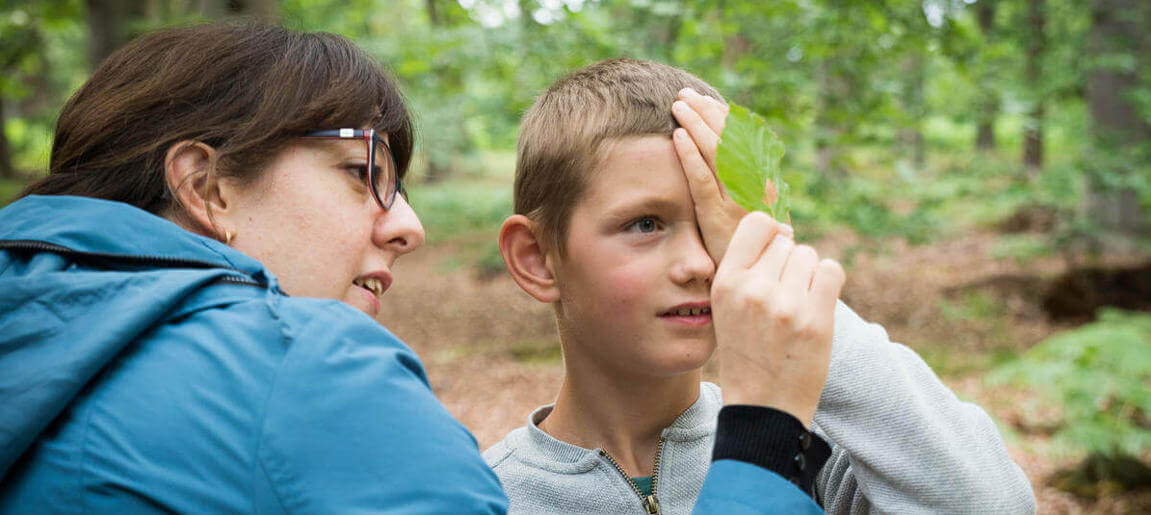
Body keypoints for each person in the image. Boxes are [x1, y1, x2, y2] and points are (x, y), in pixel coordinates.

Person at [1, 23, 837, 513]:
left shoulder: (37, 353)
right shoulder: (306, 365)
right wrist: (765, 426)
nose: (407, 224)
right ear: (205, 184)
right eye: (363, 171)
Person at [485, 58, 1037, 514]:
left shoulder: (813, 456)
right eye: (646, 224)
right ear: (537, 259)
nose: (702, 263)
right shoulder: (488, 497)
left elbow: (993, 503)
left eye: (720, 226)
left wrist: (795, 304)